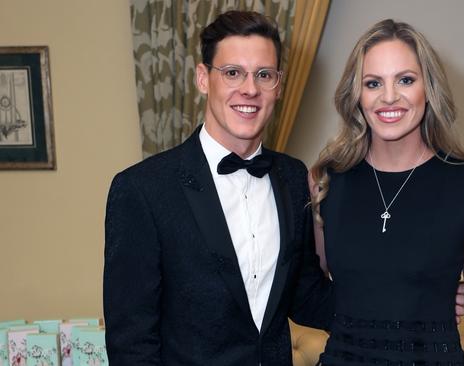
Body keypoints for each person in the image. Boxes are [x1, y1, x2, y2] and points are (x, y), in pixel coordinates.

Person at [103, 11, 333, 365]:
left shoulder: (292, 177)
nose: (250, 89)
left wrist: (414, 295)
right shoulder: (142, 189)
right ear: (202, 78)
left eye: (264, 74)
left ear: (279, 84)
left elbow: (307, 296)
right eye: (232, 73)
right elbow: (131, 343)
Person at [310, 19, 464, 365]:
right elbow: (308, 290)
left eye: (405, 80)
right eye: (373, 83)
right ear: (357, 95)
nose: (389, 97)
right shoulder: (325, 181)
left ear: (428, 88)